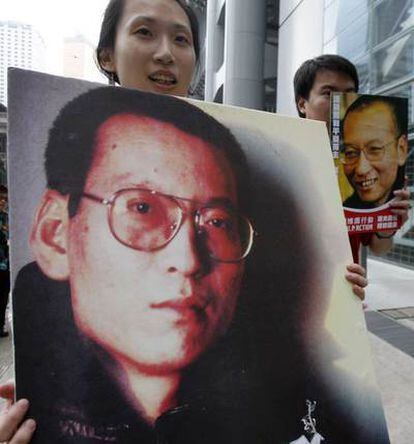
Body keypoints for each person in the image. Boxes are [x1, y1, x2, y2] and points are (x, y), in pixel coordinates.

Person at [0, 3, 378, 440]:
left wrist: (342, 296)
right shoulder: (45, 363)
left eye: (217, 223)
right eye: (141, 208)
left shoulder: (280, 378)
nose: (188, 259)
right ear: (54, 234)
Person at [294, 54, 411, 263]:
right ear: (303, 104)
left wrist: (388, 222)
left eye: (349, 94)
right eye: (329, 93)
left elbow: (379, 248)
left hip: (347, 288)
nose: (339, 102)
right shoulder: (279, 155)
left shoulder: (356, 169)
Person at [341, 95, 408, 209]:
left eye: (375, 149)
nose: (361, 169)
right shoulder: (342, 212)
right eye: (350, 152)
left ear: (401, 149)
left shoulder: (403, 201)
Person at [0, 185, 9, 337]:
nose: (3, 202)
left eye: (5, 199)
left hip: (3, 264)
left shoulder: (3, 217)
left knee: (3, 295)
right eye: (0, 198)